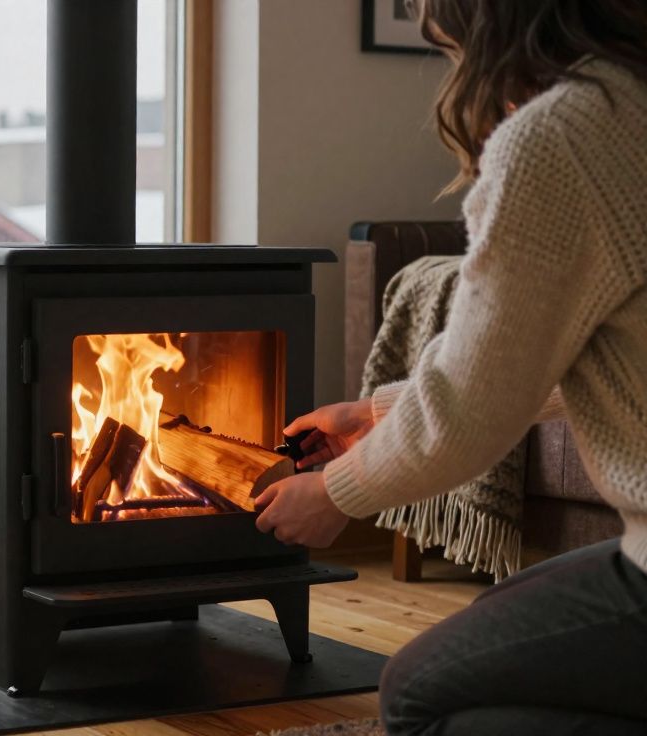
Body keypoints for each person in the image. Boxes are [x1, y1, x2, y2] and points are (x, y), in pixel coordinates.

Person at [252, 1, 647, 734]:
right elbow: (583, 362)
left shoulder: (563, 136)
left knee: (416, 692)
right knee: (497, 624)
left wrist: (337, 494)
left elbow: (472, 407)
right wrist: (375, 413)